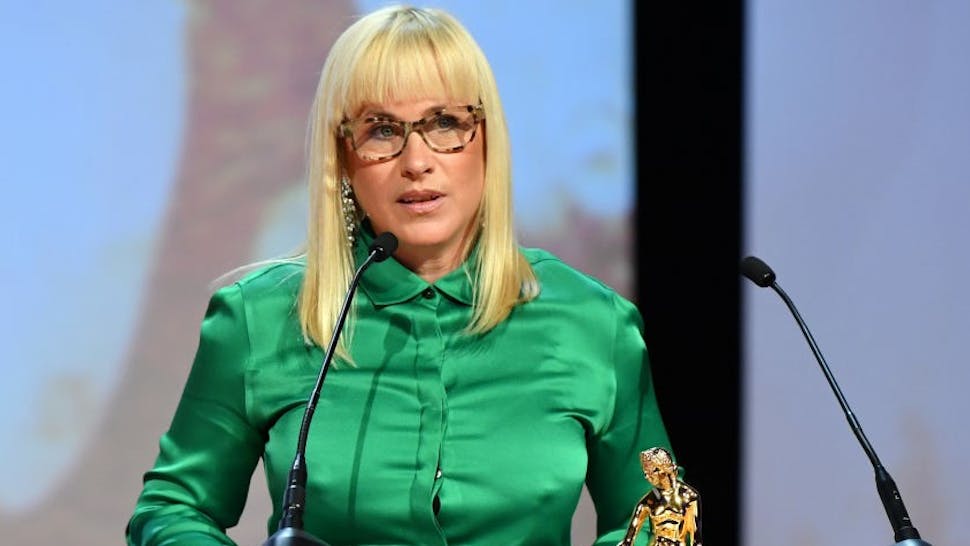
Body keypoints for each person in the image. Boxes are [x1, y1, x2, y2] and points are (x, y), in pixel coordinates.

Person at [126, 5, 673, 545]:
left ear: (488, 140)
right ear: (342, 156)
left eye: (445, 123)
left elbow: (663, 517)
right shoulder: (257, 318)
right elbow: (174, 508)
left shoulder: (594, 322)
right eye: (382, 130)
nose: (417, 160)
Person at [617, 448, 701, 546]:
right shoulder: (648, 501)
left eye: (649, 472)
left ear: (661, 470)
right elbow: (627, 541)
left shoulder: (689, 497)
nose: (647, 477)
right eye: (645, 473)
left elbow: (696, 540)